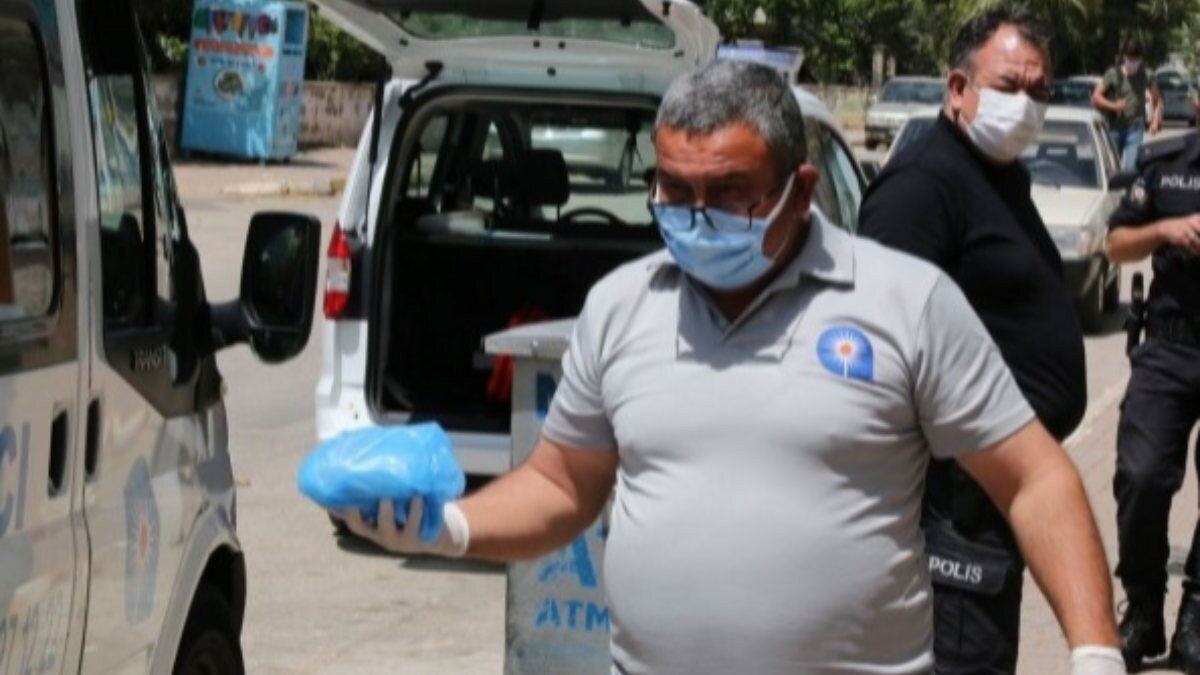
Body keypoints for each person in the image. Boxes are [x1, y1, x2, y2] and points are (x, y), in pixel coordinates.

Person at [341, 60, 1122, 674]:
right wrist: (451, 526)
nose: (697, 215)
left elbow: (1034, 479)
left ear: (801, 189)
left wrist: (1095, 654)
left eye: (729, 192)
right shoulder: (620, 307)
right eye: (674, 189)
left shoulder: (905, 302)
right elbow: (562, 484)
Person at [856, 8, 1087, 673]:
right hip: (950, 513)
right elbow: (880, 349)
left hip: (991, 505)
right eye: (1010, 85)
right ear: (958, 88)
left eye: (1040, 90)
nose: (1026, 104)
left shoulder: (994, 173)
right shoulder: (924, 185)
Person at [1105, 131, 1200, 672]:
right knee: (1140, 477)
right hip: (1169, 346)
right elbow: (1115, 245)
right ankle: (1143, 607)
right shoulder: (1167, 165)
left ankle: (1197, 613)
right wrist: (1166, 230)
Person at [1093, 38, 1163, 171]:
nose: (1132, 63)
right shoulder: (1113, 74)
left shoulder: (1147, 75)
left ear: (1141, 59)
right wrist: (1114, 106)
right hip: (1114, 127)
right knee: (1112, 168)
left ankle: (1129, 184)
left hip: (1135, 128)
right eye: (1129, 59)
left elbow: (1158, 99)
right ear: (1124, 57)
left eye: (1136, 60)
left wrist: (1155, 120)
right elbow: (1096, 97)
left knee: (1131, 168)